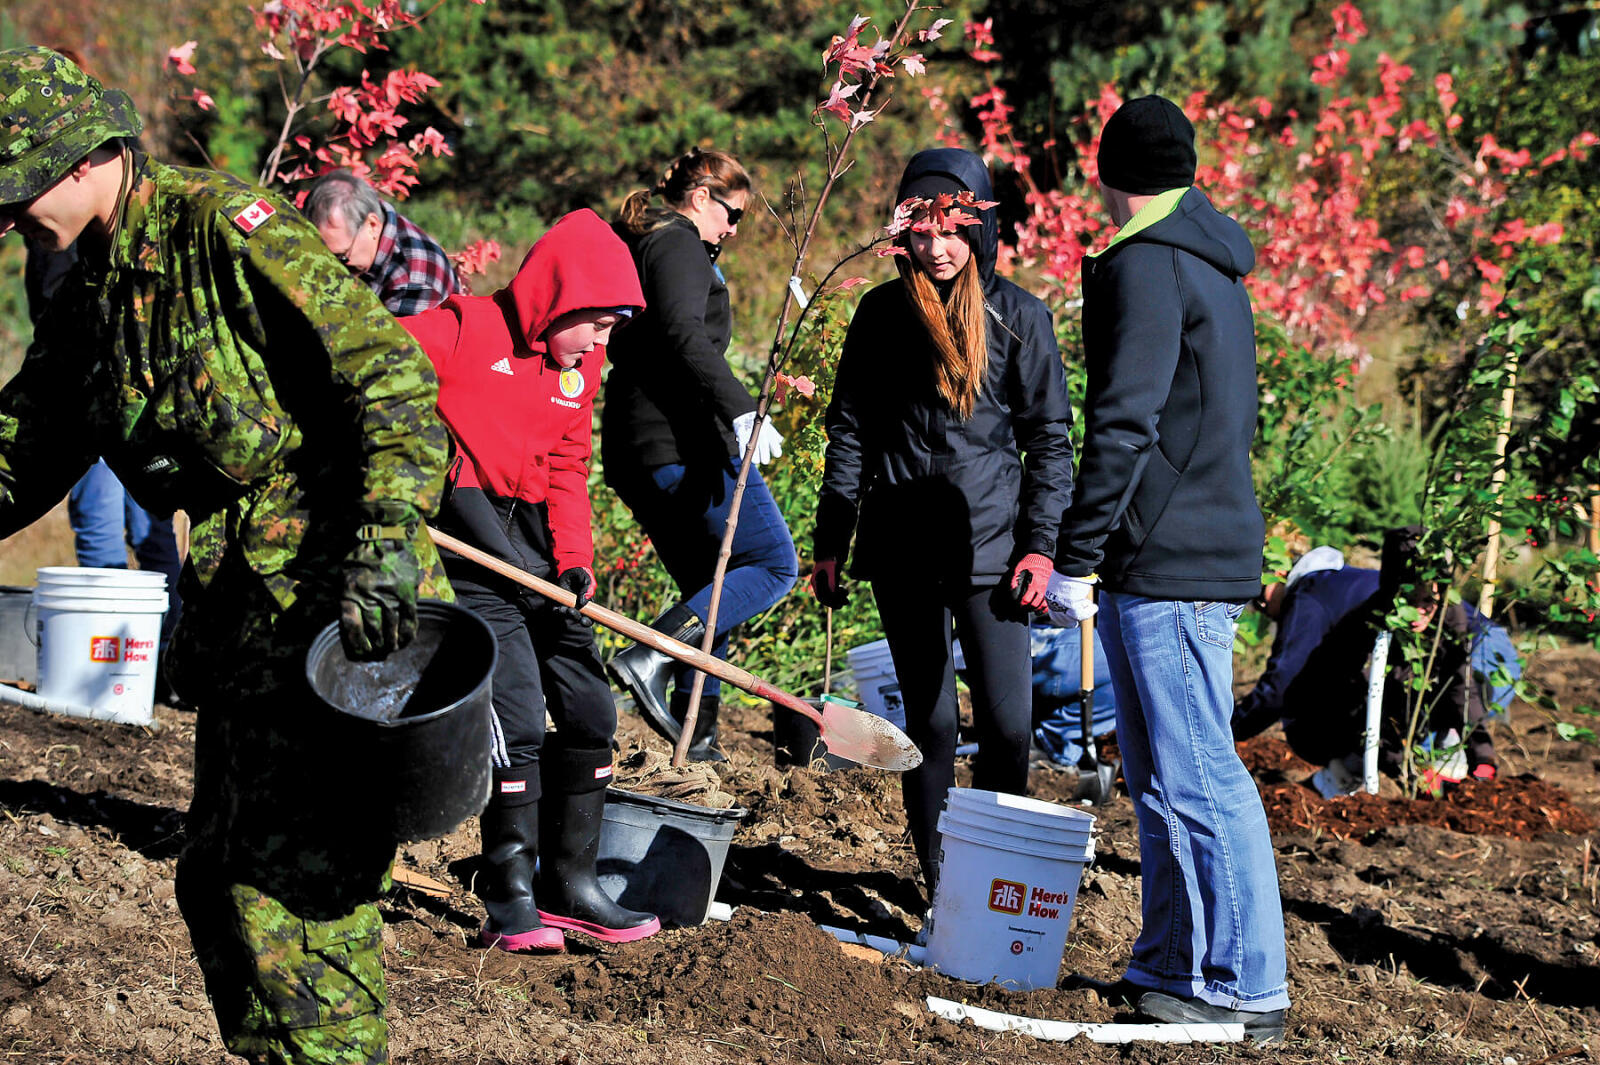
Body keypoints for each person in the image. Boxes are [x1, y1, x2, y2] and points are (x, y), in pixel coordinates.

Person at [0, 47, 452, 1065]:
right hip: (249, 612)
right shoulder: (88, 297)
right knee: (220, 878)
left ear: (79, 163)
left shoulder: (221, 228)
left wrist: (384, 543)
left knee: (301, 892)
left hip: (338, 601)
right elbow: (22, 449)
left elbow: (386, 379)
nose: (9, 223)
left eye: (15, 196)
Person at [1044, 95, 1290, 1039]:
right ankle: (1174, 963)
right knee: (1158, 774)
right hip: (1177, 549)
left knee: (1196, 775)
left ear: (1108, 174)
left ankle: (1241, 985)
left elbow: (1125, 417)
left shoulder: (1145, 263)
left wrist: (1077, 554)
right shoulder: (1210, 259)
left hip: (1172, 558)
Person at [813, 147, 1075, 900]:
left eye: (954, 231)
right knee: (928, 728)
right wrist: (832, 541)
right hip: (899, 546)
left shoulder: (1019, 317)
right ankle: (943, 890)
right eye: (922, 233)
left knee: (1010, 728)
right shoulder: (880, 314)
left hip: (991, 550)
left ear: (981, 229)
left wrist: (1040, 547)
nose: (937, 248)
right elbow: (851, 432)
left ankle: (994, 878)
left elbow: (1049, 439)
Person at [401, 209, 661, 953]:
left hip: (538, 547)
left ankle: (570, 885)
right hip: (468, 547)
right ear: (554, 299)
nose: (600, 343)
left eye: (610, 329)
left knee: (589, 708)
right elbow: (374, 372)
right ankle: (508, 894)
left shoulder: (578, 368)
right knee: (516, 717)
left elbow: (569, 467)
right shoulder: (462, 328)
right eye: (595, 324)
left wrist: (575, 558)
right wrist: (424, 467)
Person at [602, 147, 797, 761]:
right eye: (733, 214)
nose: (734, 230)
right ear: (701, 196)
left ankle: (698, 737)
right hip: (677, 440)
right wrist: (742, 407)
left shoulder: (655, 242)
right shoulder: (678, 241)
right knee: (770, 563)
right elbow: (682, 331)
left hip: (640, 442)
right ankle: (653, 651)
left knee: (709, 585)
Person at [1233, 530, 1504, 791]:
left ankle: (1451, 778)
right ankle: (1419, 779)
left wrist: (1483, 756)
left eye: (1259, 598)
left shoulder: (1310, 597)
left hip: (1489, 651)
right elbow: (1374, 690)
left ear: (1281, 574)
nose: (1262, 609)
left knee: (1450, 717)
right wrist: (1395, 762)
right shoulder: (1368, 610)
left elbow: (1460, 685)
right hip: (1456, 660)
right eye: (1409, 599)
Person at [302, 168, 460, 316]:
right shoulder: (370, 217)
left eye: (341, 257)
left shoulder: (414, 282)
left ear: (372, 225)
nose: (332, 269)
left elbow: (394, 345)